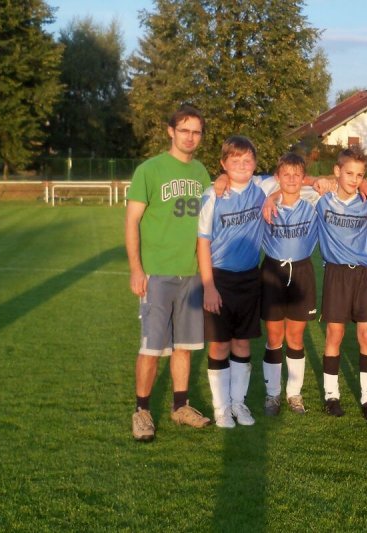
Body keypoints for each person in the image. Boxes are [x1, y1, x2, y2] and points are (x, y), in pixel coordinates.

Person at [126, 104, 212, 441]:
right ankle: (142, 411)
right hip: (157, 274)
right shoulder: (150, 170)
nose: (190, 137)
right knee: (151, 348)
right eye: (184, 130)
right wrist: (136, 269)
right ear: (171, 132)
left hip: (190, 274)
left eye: (196, 132)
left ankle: (180, 406)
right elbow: (132, 221)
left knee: (184, 346)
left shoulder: (201, 173)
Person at [197, 135, 277, 428]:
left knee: (242, 343)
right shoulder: (212, 195)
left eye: (247, 160)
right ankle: (221, 408)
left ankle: (237, 403)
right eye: (235, 160)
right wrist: (208, 287)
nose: (242, 165)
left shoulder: (262, 186)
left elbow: (295, 179)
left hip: (249, 277)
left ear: (255, 163)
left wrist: (275, 196)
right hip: (219, 278)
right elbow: (202, 243)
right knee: (219, 344)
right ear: (223, 163)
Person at [316, 147, 367, 423]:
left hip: (365, 274)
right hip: (336, 273)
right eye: (349, 173)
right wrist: (317, 180)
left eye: (360, 175)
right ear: (337, 171)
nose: (355, 179)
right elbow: (288, 182)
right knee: (335, 334)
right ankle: (331, 395)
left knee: (366, 335)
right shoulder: (322, 200)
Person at [259, 153, 320, 416]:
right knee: (274, 338)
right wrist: (269, 198)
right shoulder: (263, 202)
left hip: (302, 272)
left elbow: (338, 184)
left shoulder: (314, 202)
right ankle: (272, 394)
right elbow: (235, 180)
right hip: (273, 272)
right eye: (286, 174)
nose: (292, 179)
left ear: (304, 177)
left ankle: (294, 394)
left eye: (297, 174)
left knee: (295, 338)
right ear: (277, 177)